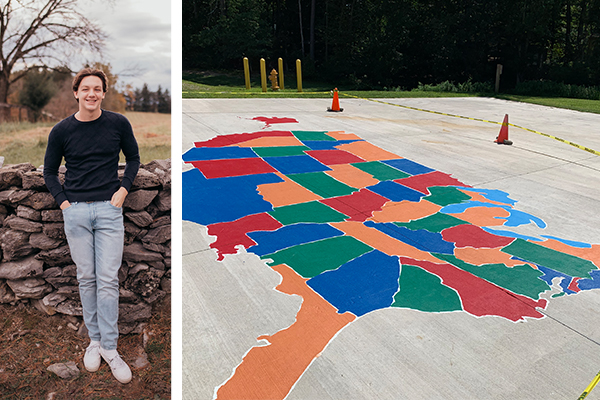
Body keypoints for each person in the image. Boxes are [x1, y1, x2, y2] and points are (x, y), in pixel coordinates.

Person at [43, 67, 140, 384]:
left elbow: (134, 158)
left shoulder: (117, 124)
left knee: (108, 279)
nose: (91, 94)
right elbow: (48, 172)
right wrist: (64, 204)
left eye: (97, 89)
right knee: (86, 277)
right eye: (86, 89)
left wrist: (123, 189)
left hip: (109, 211)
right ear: (76, 92)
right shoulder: (61, 131)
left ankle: (111, 348)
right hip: (76, 214)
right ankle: (94, 342)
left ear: (103, 92)